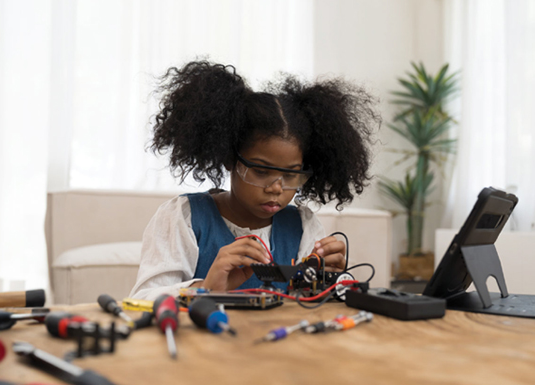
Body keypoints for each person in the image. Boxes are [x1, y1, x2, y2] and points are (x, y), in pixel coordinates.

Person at [129, 60, 380, 300]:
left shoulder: (303, 227)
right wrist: (204, 287)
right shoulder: (184, 218)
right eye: (261, 171)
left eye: (291, 174)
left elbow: (304, 306)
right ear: (230, 159)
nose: (276, 188)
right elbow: (141, 301)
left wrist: (326, 283)